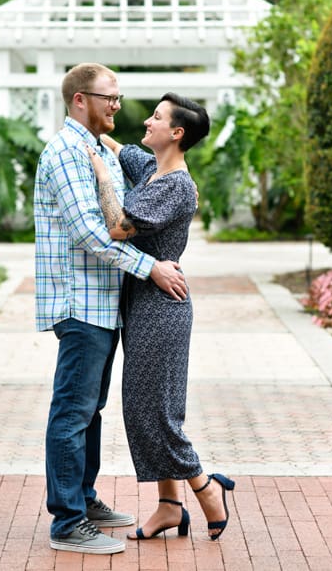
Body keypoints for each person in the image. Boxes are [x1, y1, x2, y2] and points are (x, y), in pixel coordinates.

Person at [34, 63, 189, 555]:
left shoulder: (99, 149)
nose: (118, 106)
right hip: (80, 304)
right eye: (110, 97)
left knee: (91, 412)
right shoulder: (65, 153)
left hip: (105, 304)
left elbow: (149, 178)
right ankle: (67, 523)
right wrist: (153, 269)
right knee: (72, 412)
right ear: (81, 100)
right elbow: (91, 233)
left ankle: (85, 498)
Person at [84, 92, 235, 543]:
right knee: (145, 408)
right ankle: (170, 507)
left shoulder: (177, 186)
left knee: (155, 412)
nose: (146, 121)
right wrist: (92, 133)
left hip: (162, 307)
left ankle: (206, 488)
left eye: (157, 117)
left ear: (177, 133)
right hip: (143, 301)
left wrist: (99, 178)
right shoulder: (151, 170)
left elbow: (117, 227)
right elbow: (120, 149)